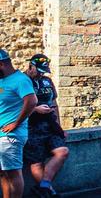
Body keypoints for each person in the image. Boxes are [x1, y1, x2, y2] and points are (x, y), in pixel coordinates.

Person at [22, 55, 67, 195]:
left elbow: (54, 103)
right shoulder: (21, 81)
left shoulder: (47, 81)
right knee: (36, 162)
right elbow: (13, 106)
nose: (41, 74)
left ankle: (43, 186)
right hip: (30, 126)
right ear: (31, 66)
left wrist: (59, 125)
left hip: (49, 124)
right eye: (39, 70)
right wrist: (35, 109)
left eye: (43, 71)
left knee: (62, 151)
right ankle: (49, 192)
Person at [0, 50, 37, 198]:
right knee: (3, 174)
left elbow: (32, 101)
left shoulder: (20, 80)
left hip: (10, 136)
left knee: (13, 174)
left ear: (1, 64)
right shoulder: (3, 80)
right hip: (2, 135)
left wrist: (16, 123)